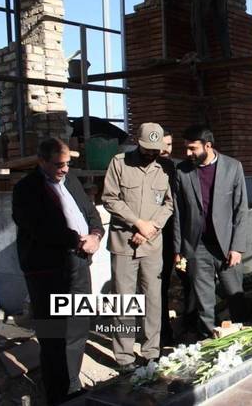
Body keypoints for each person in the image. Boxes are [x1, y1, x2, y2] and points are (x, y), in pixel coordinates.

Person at [13, 138, 104, 405]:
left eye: (67, 164)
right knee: (53, 334)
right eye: (58, 164)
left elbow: (91, 213)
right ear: (42, 161)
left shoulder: (71, 180)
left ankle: (72, 385)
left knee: (78, 327)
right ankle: (56, 394)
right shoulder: (26, 189)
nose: (64, 169)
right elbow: (38, 227)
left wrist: (96, 235)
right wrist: (77, 240)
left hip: (79, 265)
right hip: (48, 273)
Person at [102, 122, 174, 371]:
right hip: (124, 243)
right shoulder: (119, 163)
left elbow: (169, 204)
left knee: (153, 299)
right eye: (147, 149)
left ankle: (151, 352)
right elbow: (109, 198)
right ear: (137, 142)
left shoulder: (165, 168)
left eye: (156, 150)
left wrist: (150, 228)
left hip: (152, 244)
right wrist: (137, 223)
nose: (151, 154)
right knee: (124, 300)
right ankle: (124, 357)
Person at [172, 125, 249, 336]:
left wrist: (237, 247)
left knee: (235, 297)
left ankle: (242, 340)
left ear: (208, 146)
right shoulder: (182, 171)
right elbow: (179, 213)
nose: (188, 153)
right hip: (197, 246)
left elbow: (240, 210)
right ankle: (209, 341)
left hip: (226, 246)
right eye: (186, 148)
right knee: (204, 303)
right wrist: (178, 249)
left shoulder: (233, 167)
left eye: (193, 148)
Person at [158, 128, 184, 345]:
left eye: (169, 144)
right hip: (158, 235)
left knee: (188, 281)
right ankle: (163, 332)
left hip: (179, 236)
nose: (166, 149)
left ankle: (190, 327)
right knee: (160, 285)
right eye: (162, 145)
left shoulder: (177, 168)